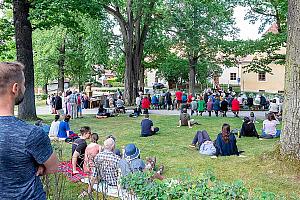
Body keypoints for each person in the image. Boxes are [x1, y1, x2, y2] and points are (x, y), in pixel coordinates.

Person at [0, 62, 58, 200]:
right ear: (15, 88)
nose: (24, 88)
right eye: (24, 84)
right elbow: (54, 166)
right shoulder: (31, 134)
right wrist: (39, 166)